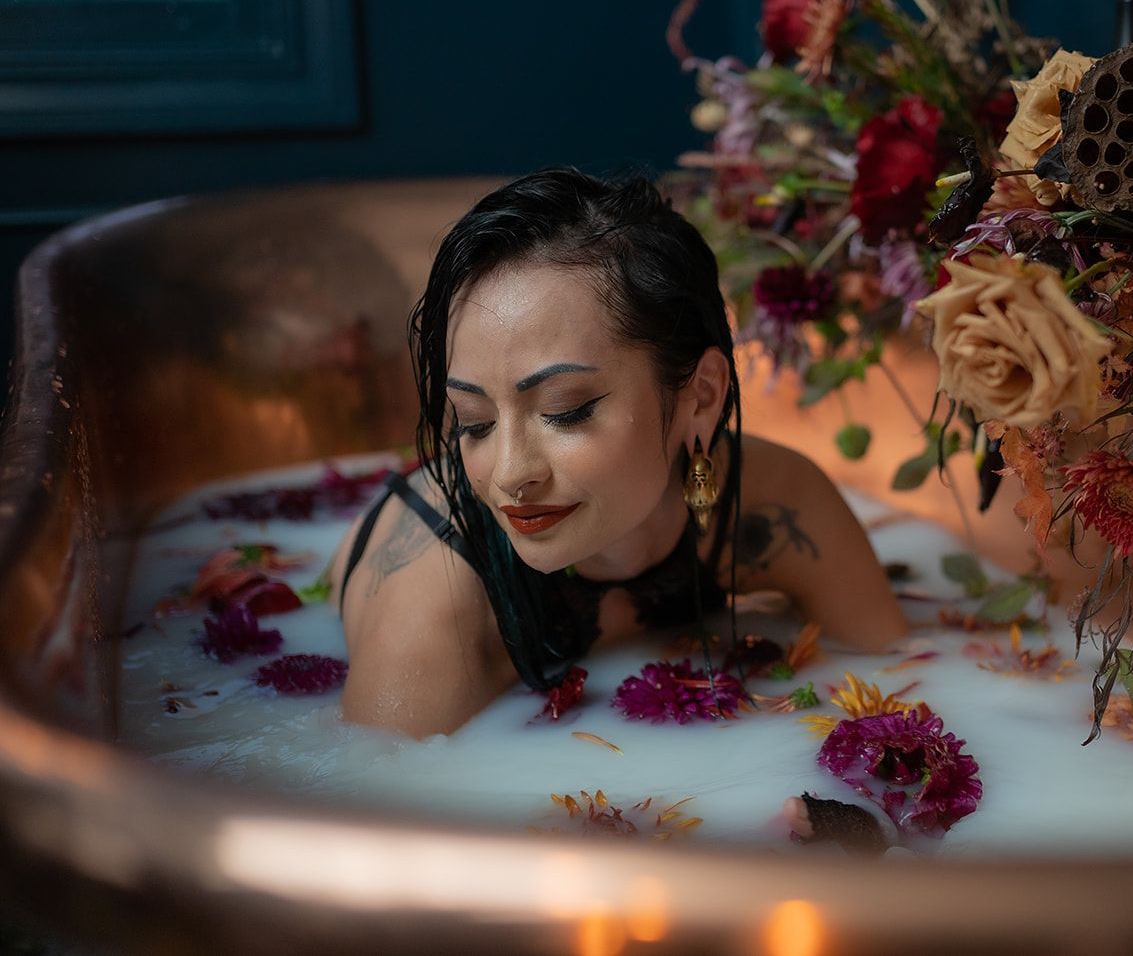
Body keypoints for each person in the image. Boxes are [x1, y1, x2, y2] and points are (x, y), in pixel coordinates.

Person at [328, 168, 909, 739]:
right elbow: (361, 816)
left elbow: (905, 667)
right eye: (475, 423)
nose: (509, 474)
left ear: (701, 395)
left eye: (564, 411)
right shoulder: (435, 614)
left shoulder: (777, 499)